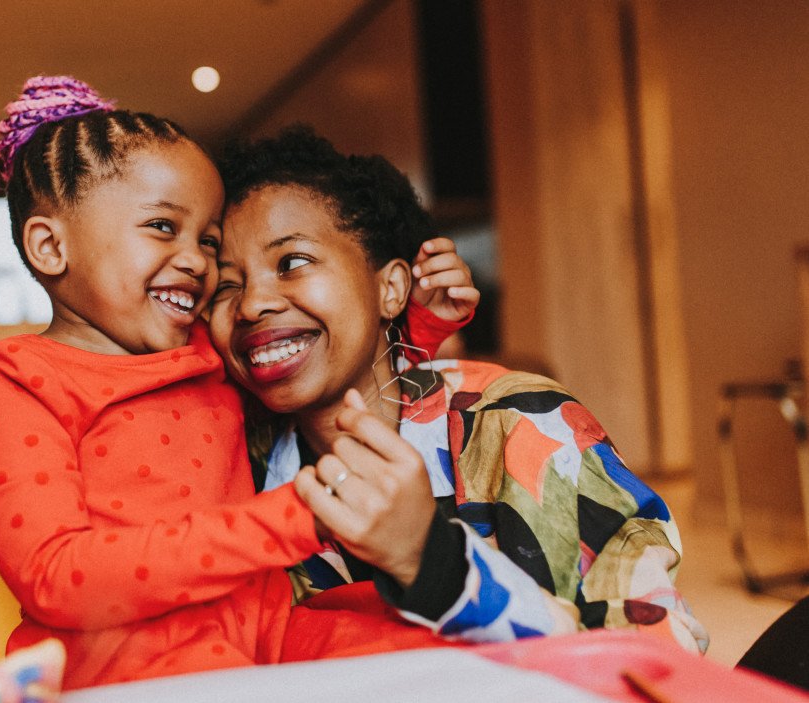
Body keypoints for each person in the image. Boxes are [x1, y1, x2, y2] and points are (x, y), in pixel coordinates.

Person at [0, 77, 478, 691]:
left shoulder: (200, 348)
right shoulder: (12, 379)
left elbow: (316, 375)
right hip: (124, 662)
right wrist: (293, 516)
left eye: (206, 241)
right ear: (49, 246)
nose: (198, 261)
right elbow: (58, 575)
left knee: (444, 656)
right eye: (162, 227)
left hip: (267, 632)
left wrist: (415, 319)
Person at [208, 126, 710, 654]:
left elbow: (656, 654)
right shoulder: (244, 466)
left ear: (391, 287)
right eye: (226, 284)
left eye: (292, 262)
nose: (250, 304)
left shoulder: (519, 422)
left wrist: (433, 564)